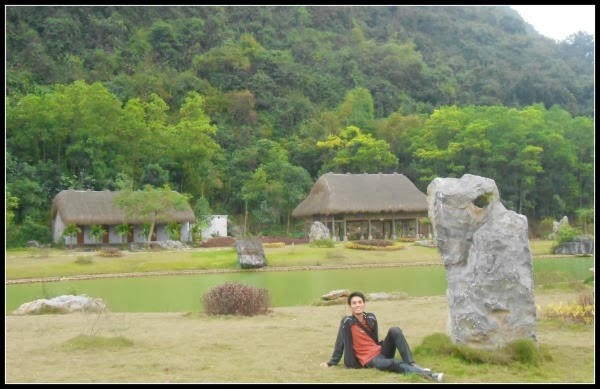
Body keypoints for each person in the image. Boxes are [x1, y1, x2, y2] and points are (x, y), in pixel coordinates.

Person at [319, 291, 444, 383]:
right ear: (350, 306)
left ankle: (411, 364)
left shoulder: (371, 318)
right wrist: (331, 363)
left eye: (360, 302)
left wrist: (381, 348)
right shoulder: (347, 322)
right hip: (369, 359)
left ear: (364, 304)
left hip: (380, 351)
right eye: (354, 303)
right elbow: (340, 343)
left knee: (395, 330)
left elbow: (374, 338)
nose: (357, 305)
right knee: (395, 363)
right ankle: (431, 375)